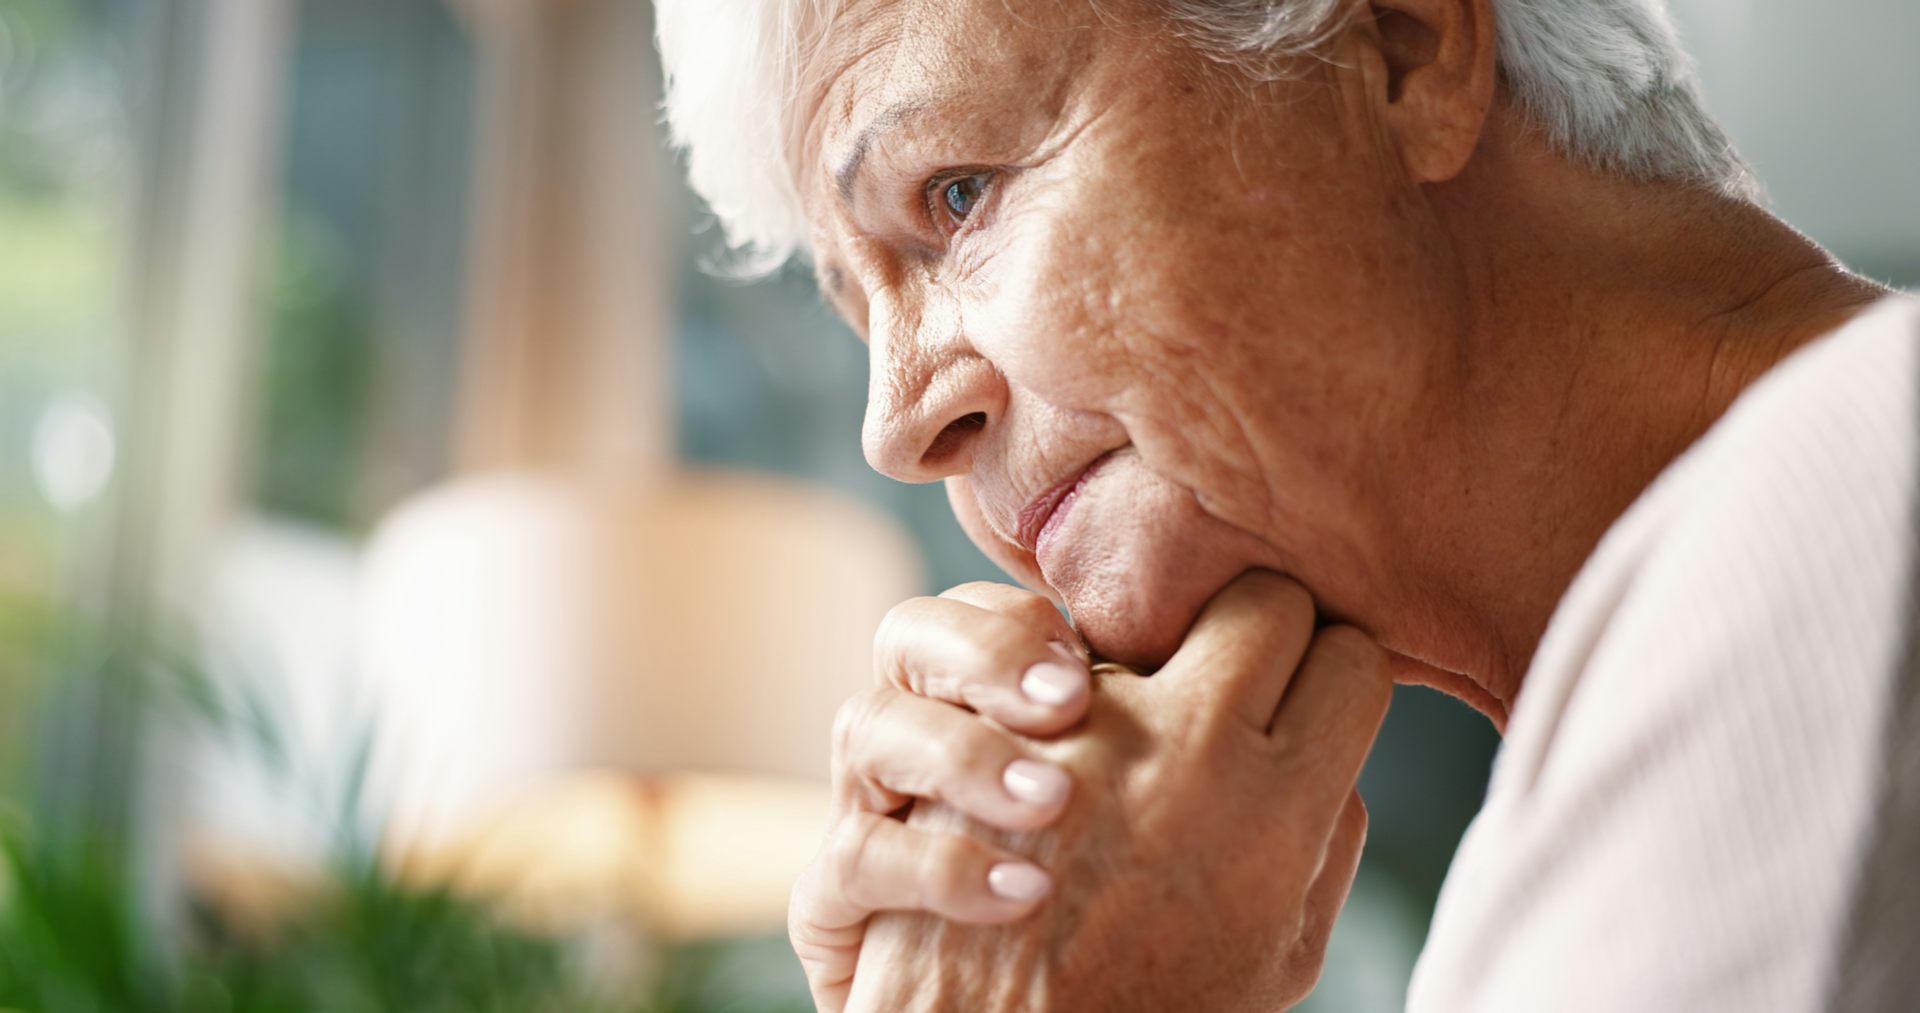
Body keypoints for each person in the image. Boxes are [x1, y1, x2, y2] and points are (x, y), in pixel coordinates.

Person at [655, 0, 1918, 1008]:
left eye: (957, 194)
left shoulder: (1837, 524)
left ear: (1402, 47)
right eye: (857, 310)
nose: (894, 428)